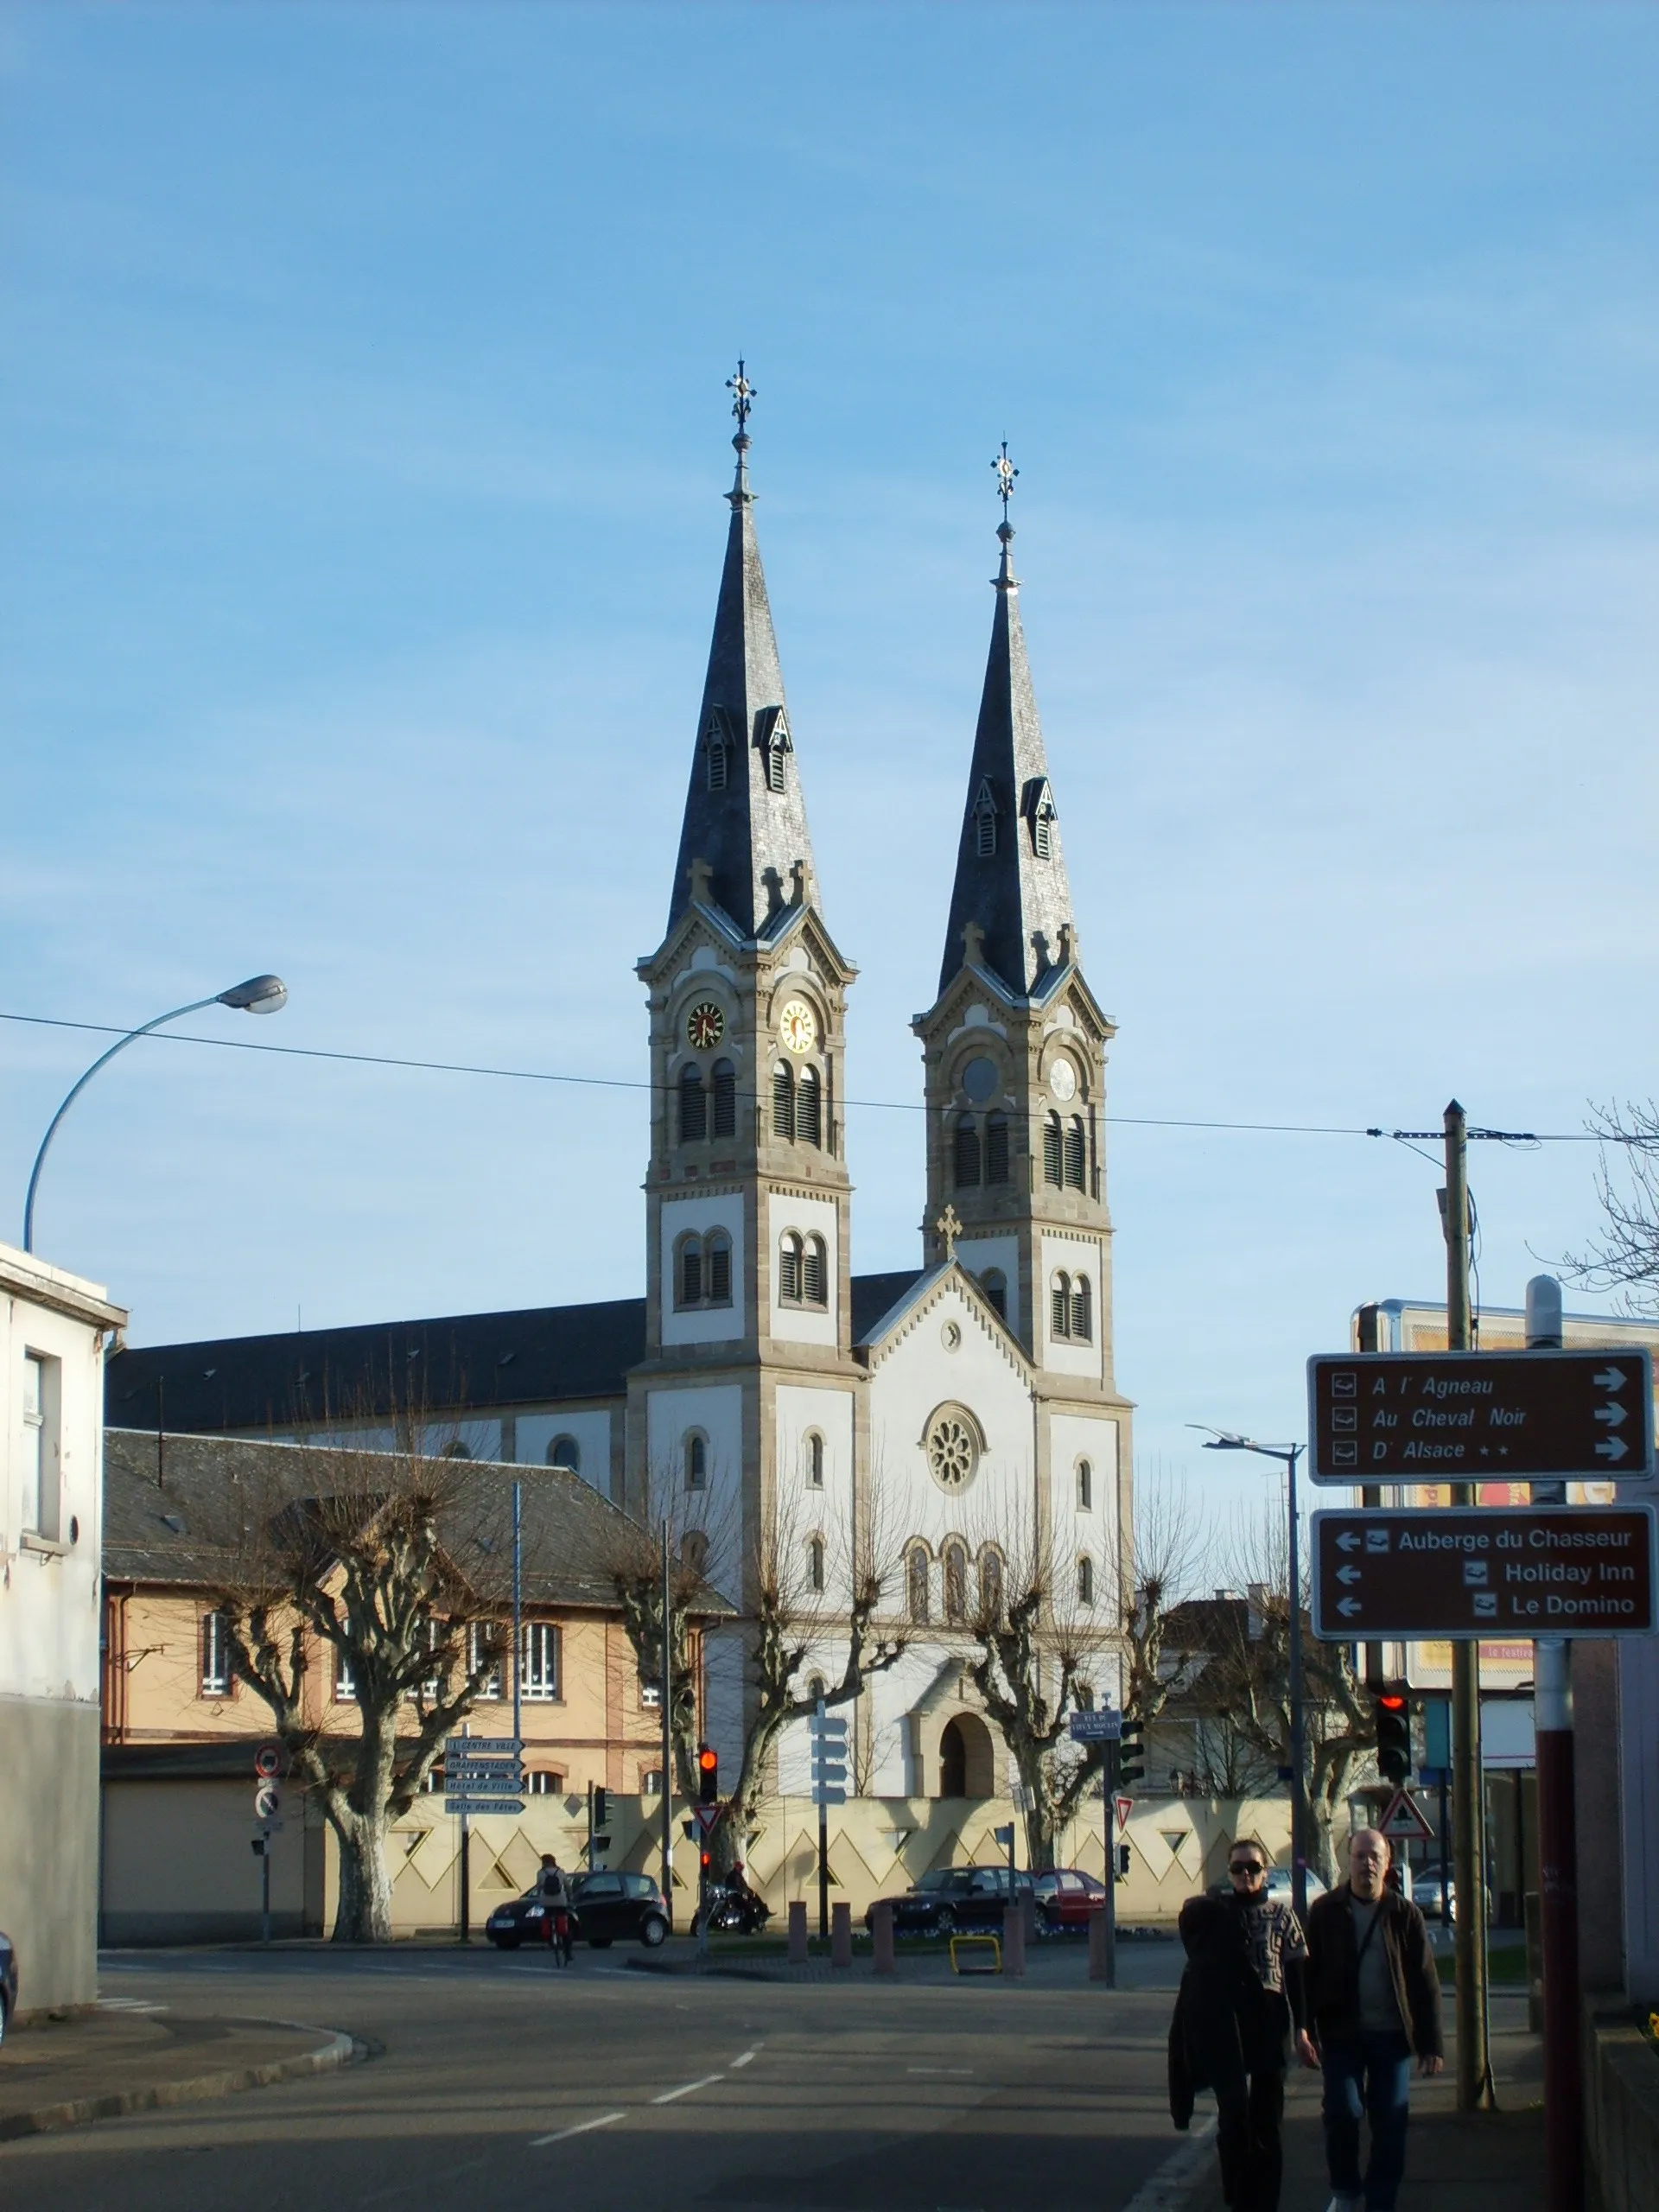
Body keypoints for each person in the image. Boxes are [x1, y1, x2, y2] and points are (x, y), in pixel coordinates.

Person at [1169, 1840, 1318, 2212]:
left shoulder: (1282, 1914)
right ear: (1229, 1873)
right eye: (1238, 1869)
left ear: (1266, 1871)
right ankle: (1237, 2198)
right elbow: (1190, 1931)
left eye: (1253, 1867)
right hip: (1228, 2024)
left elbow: (1297, 1973)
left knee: (1267, 2120)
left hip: (1270, 2019)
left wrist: (1303, 2029)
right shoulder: (1217, 1915)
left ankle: (1265, 2202)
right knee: (1233, 2116)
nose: (1246, 1875)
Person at [1305, 1827, 1444, 2212]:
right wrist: (1303, 2029)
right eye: (1360, 1856)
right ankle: (1346, 2192)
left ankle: (1381, 2201)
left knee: (1391, 2122)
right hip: (1341, 2034)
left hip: (1391, 2036)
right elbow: (1307, 1976)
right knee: (1343, 2111)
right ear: (1348, 1861)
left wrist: (1431, 2044)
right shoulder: (1325, 1912)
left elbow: (1425, 1981)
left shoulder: (1404, 1914)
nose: (1367, 1863)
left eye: (1375, 1857)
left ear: (1387, 1864)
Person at [537, 1853, 575, 1966]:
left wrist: (539, 1899)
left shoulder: (540, 1873)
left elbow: (538, 1888)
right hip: (560, 1902)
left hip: (546, 1902)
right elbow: (568, 1887)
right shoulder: (561, 1872)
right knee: (565, 1928)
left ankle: (552, 1943)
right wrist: (570, 1898)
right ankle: (568, 1952)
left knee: (546, 1922)